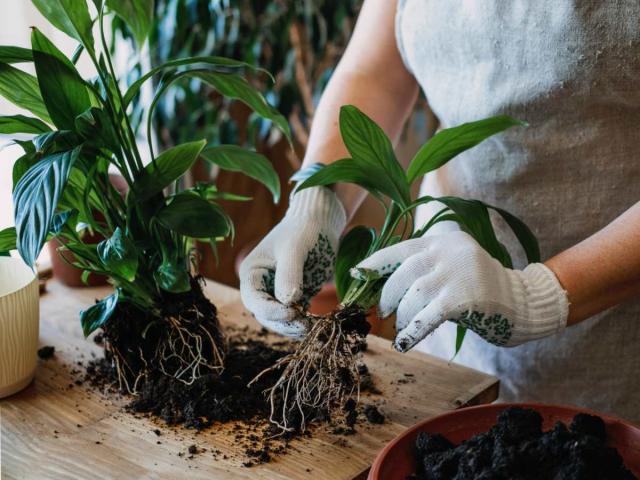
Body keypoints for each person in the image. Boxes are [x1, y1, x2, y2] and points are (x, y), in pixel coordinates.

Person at [239, 0, 640, 422]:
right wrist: (315, 201)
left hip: (612, 350)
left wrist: (537, 297)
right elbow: (375, 72)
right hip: (445, 313)